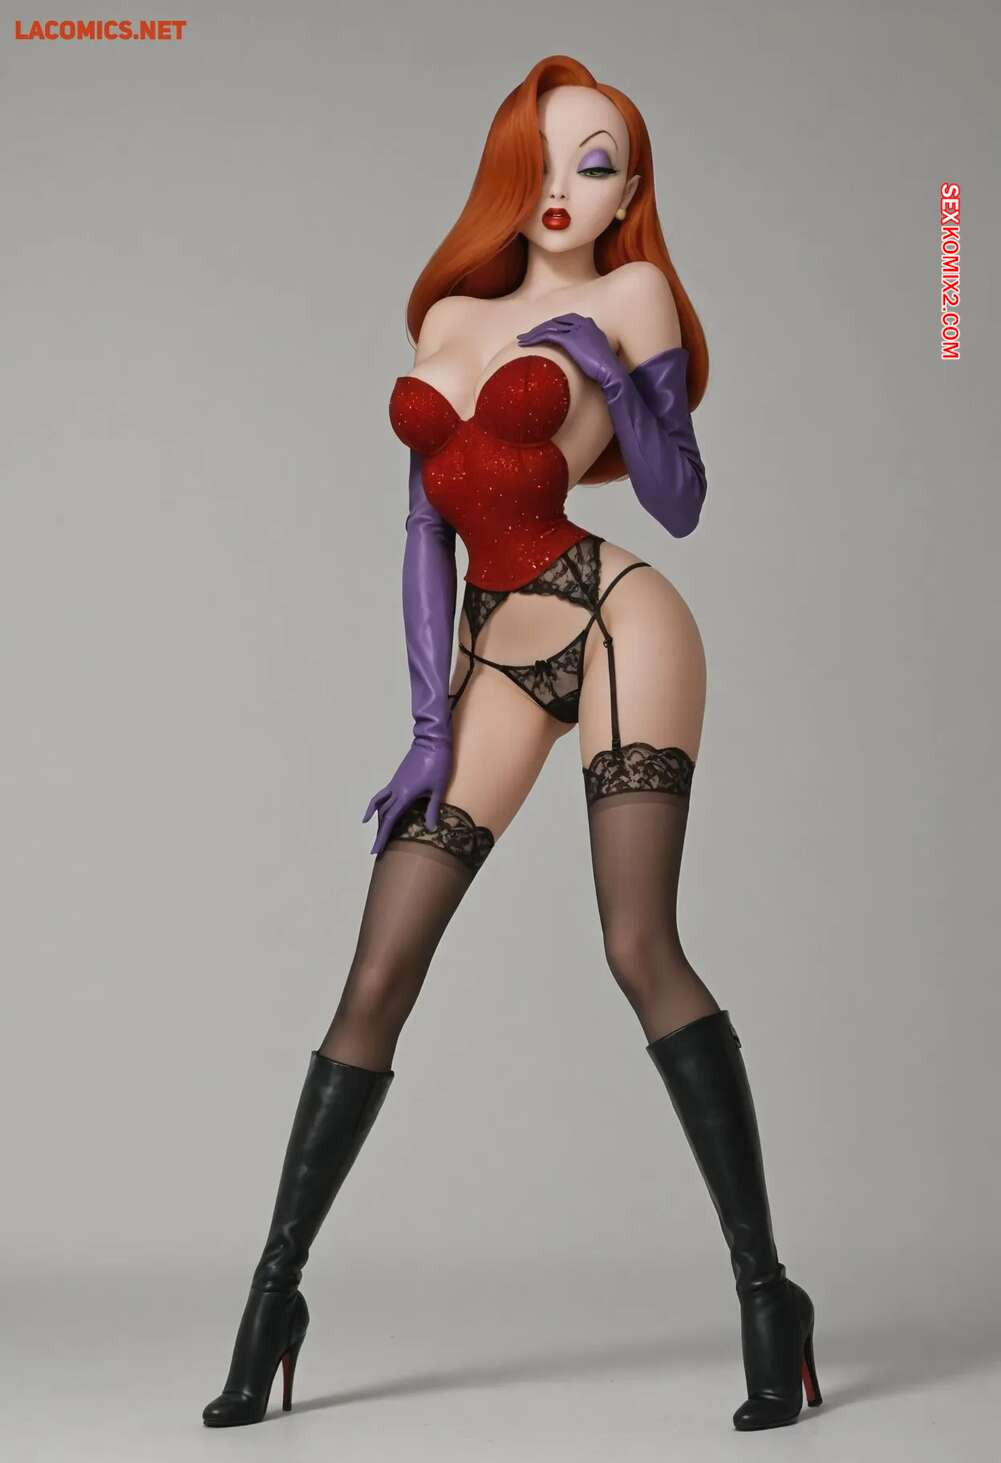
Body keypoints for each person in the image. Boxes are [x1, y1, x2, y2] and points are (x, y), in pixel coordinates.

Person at [202, 52, 821, 1434]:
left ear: (629, 190)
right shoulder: (448, 315)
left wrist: (617, 377)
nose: (560, 188)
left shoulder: (632, 298)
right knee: (377, 970)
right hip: (491, 647)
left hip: (612, 619)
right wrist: (428, 725)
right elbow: (423, 529)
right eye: (539, 160)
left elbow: (681, 499)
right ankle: (272, 1303)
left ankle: (766, 1294)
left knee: (635, 946)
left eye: (593, 165)